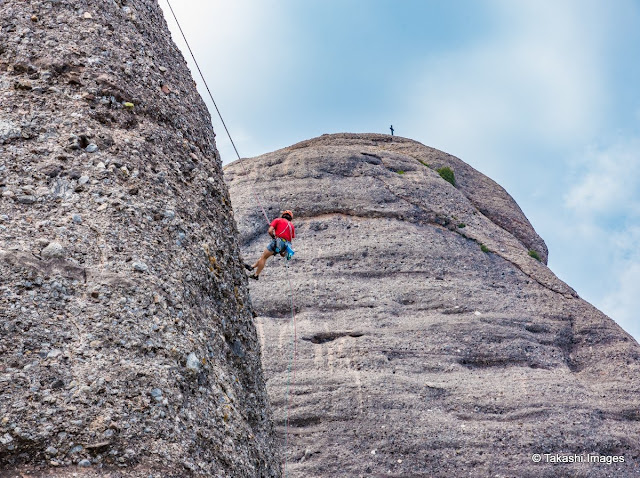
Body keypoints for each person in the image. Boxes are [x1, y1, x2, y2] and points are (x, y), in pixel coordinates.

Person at [245, 210, 295, 280]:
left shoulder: (278, 220)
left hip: (278, 242)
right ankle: (252, 267)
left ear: (283, 215)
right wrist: (282, 251)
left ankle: (256, 275)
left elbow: (270, 231)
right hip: (285, 246)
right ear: (290, 218)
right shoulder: (291, 226)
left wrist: (273, 237)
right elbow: (290, 239)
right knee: (264, 256)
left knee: (264, 258)